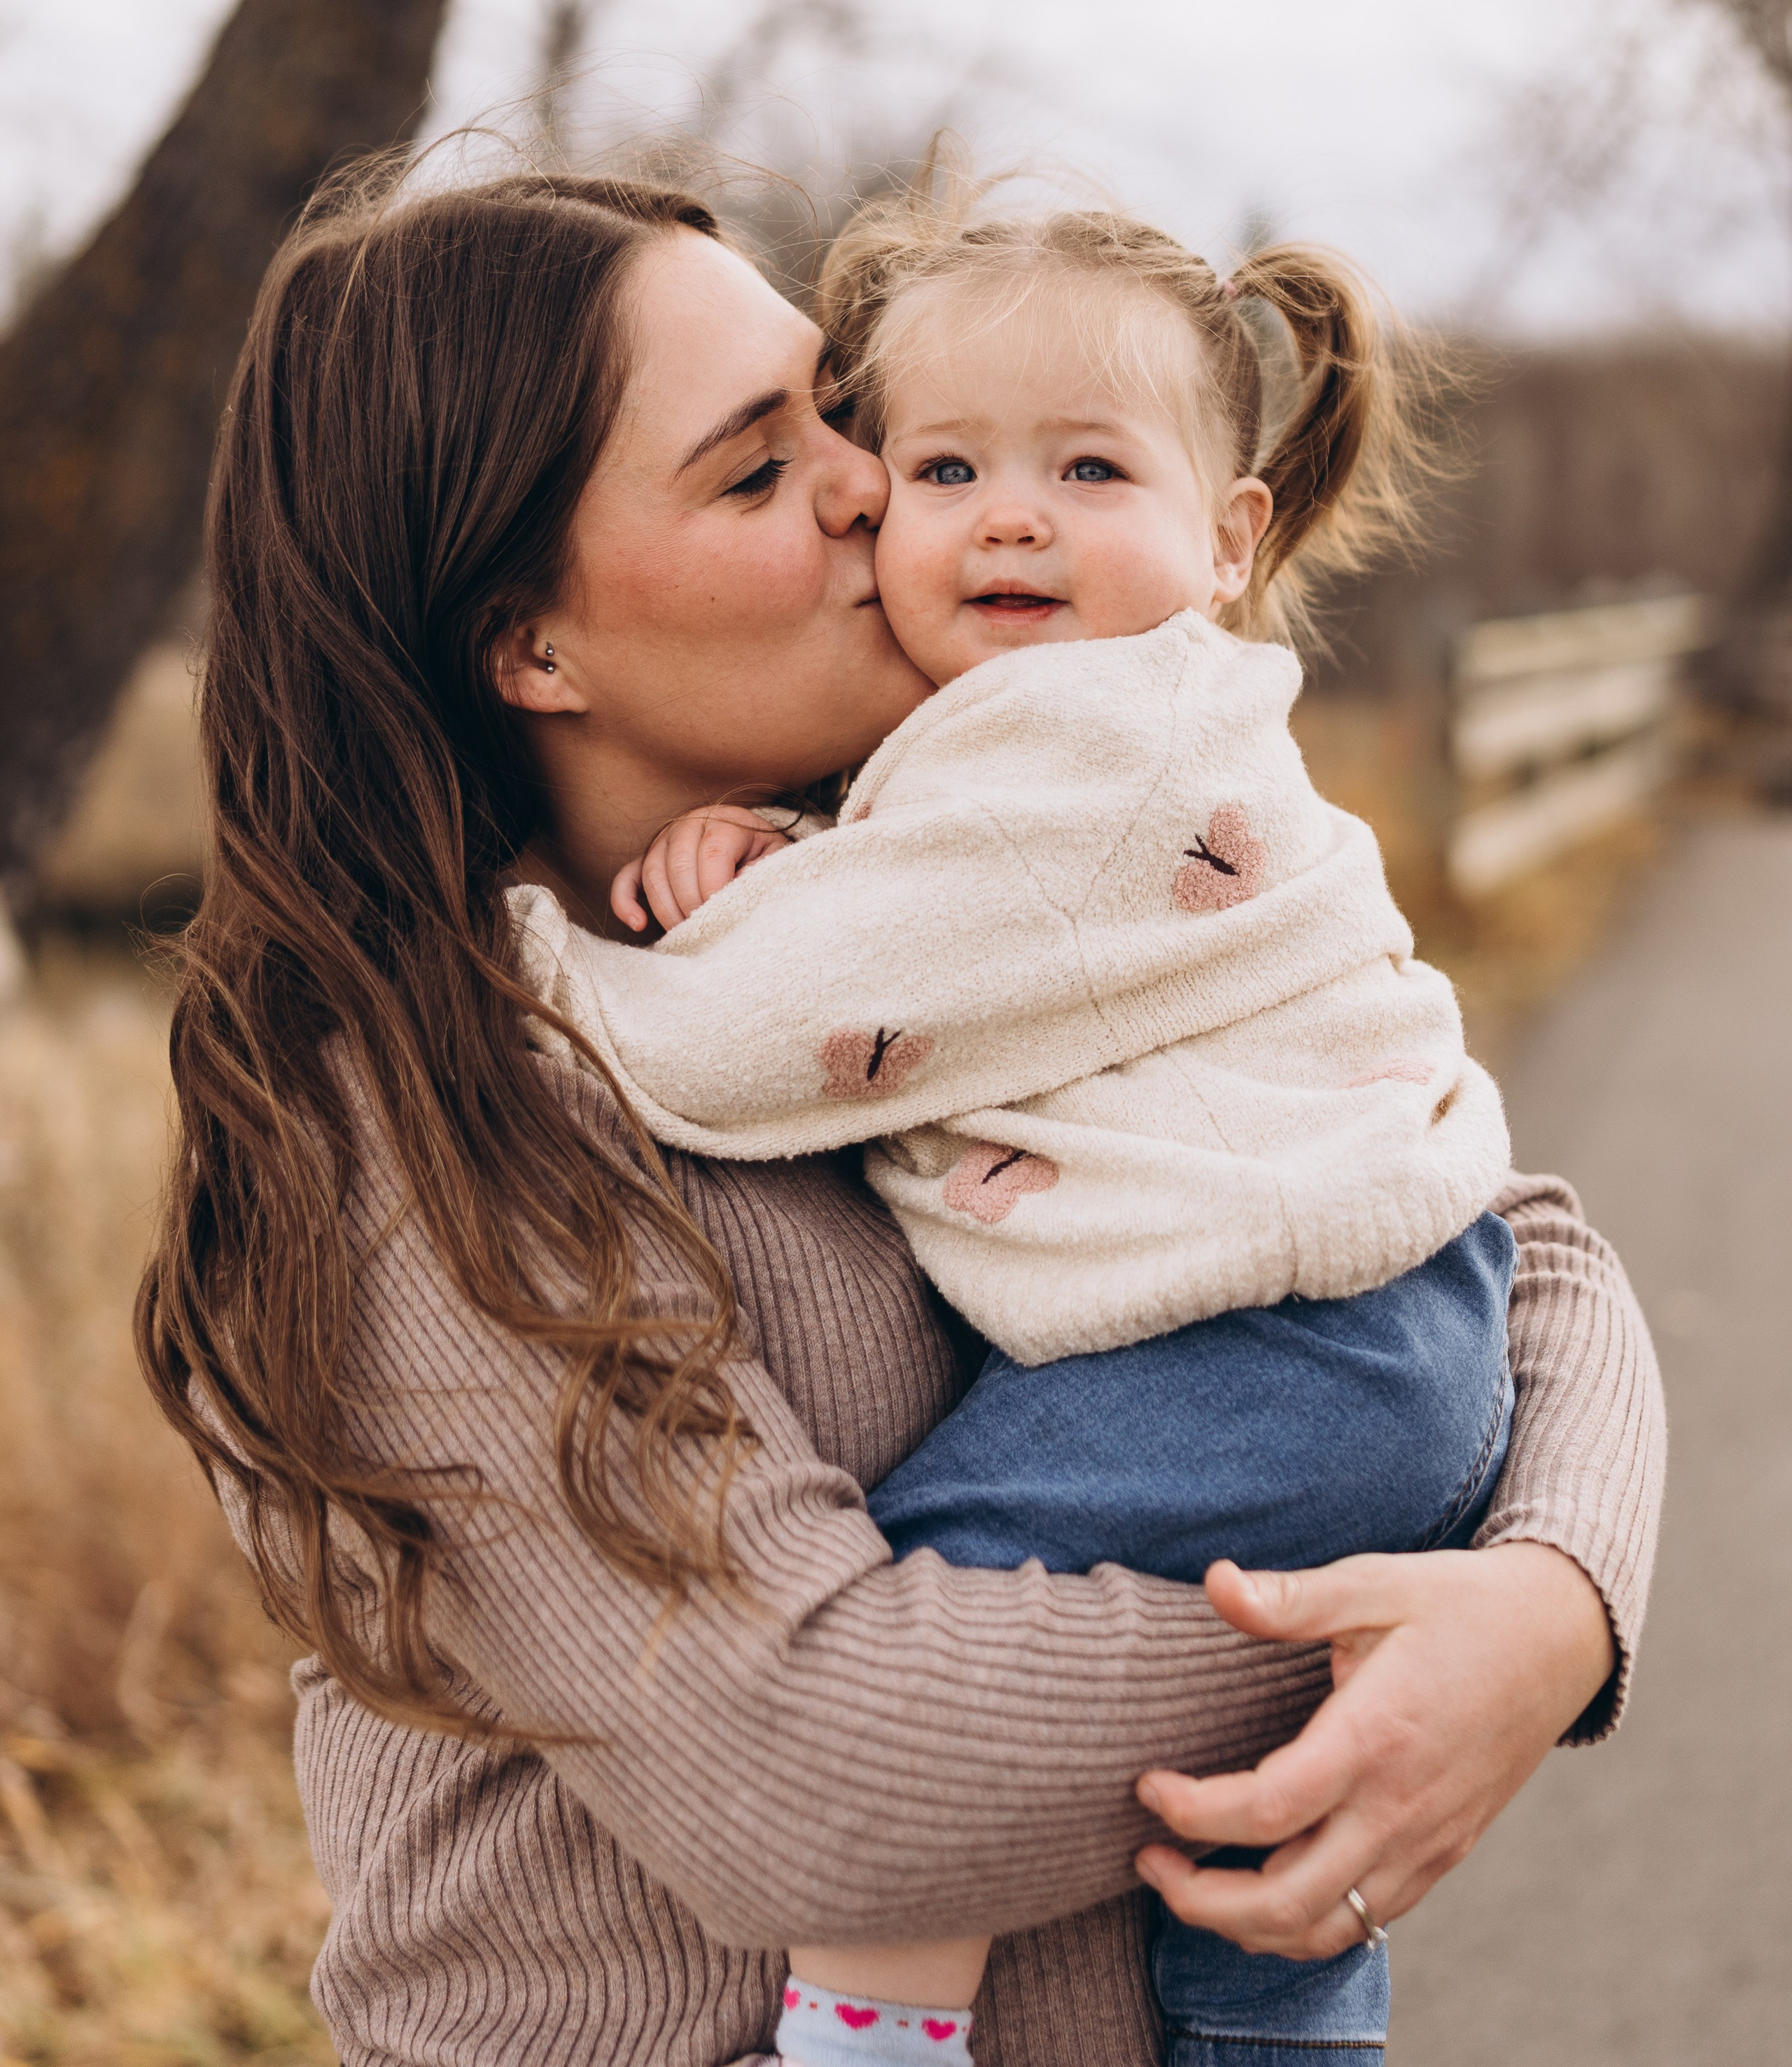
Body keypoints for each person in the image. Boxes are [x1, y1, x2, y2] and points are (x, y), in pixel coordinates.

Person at [136, 164, 1664, 2067]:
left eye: (841, 415)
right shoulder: (428, 1120)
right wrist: (1400, 1653)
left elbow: (1491, 1227)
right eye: (761, 468)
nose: (881, 483)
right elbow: (827, 1777)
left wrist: (1552, 1602)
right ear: (535, 646)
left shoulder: (940, 879)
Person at [515, 196, 1516, 2066]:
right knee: (1261, 1893)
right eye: (942, 463)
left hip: (1285, 1337)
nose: (1008, 516)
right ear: (528, 636)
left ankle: (874, 2034)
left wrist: (545, 956)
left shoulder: (1099, 742)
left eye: (1086, 467)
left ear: (1232, 540)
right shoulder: (1068, 740)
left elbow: (752, 1034)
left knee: (948, 1573)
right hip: (1354, 1315)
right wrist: (795, 859)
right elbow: (969, 937)